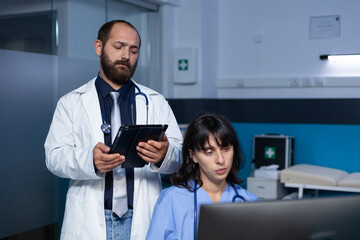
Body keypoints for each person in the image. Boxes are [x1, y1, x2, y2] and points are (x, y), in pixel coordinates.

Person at [44, 20, 182, 240]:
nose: (126, 55)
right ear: (99, 47)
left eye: (133, 50)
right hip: (90, 219)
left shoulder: (155, 102)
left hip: (141, 217)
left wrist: (164, 155)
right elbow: (53, 157)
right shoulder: (70, 103)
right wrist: (90, 160)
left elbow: (180, 155)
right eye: (118, 47)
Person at [146, 113, 258, 240]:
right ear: (193, 155)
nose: (221, 160)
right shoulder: (171, 200)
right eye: (209, 152)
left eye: (226, 149)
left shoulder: (247, 200)